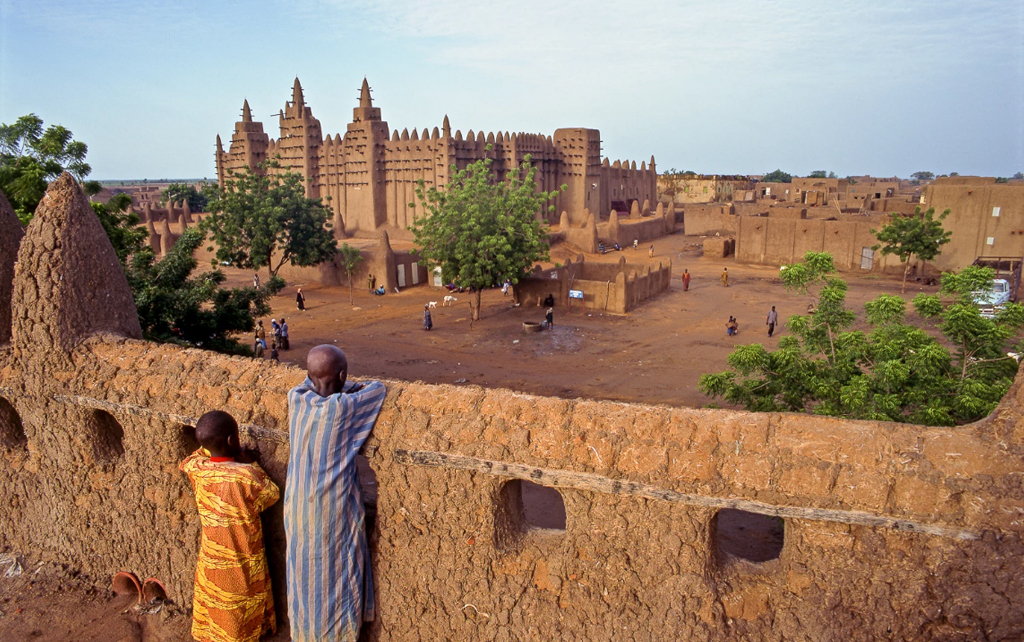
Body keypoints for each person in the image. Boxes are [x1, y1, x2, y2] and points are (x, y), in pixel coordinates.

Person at [285, 345, 386, 642]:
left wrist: (335, 380)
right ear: (342, 375)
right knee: (336, 579)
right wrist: (346, 383)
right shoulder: (342, 408)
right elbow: (377, 389)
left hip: (298, 508)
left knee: (304, 578)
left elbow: (310, 381)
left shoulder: (297, 398)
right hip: (330, 514)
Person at [179, 411, 280, 642]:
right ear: (231, 440)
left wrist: (221, 449)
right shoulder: (247, 476)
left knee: (215, 600)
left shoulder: (196, 468)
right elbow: (271, 495)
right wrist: (250, 461)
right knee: (239, 605)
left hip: (211, 557)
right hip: (241, 557)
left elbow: (195, 454)